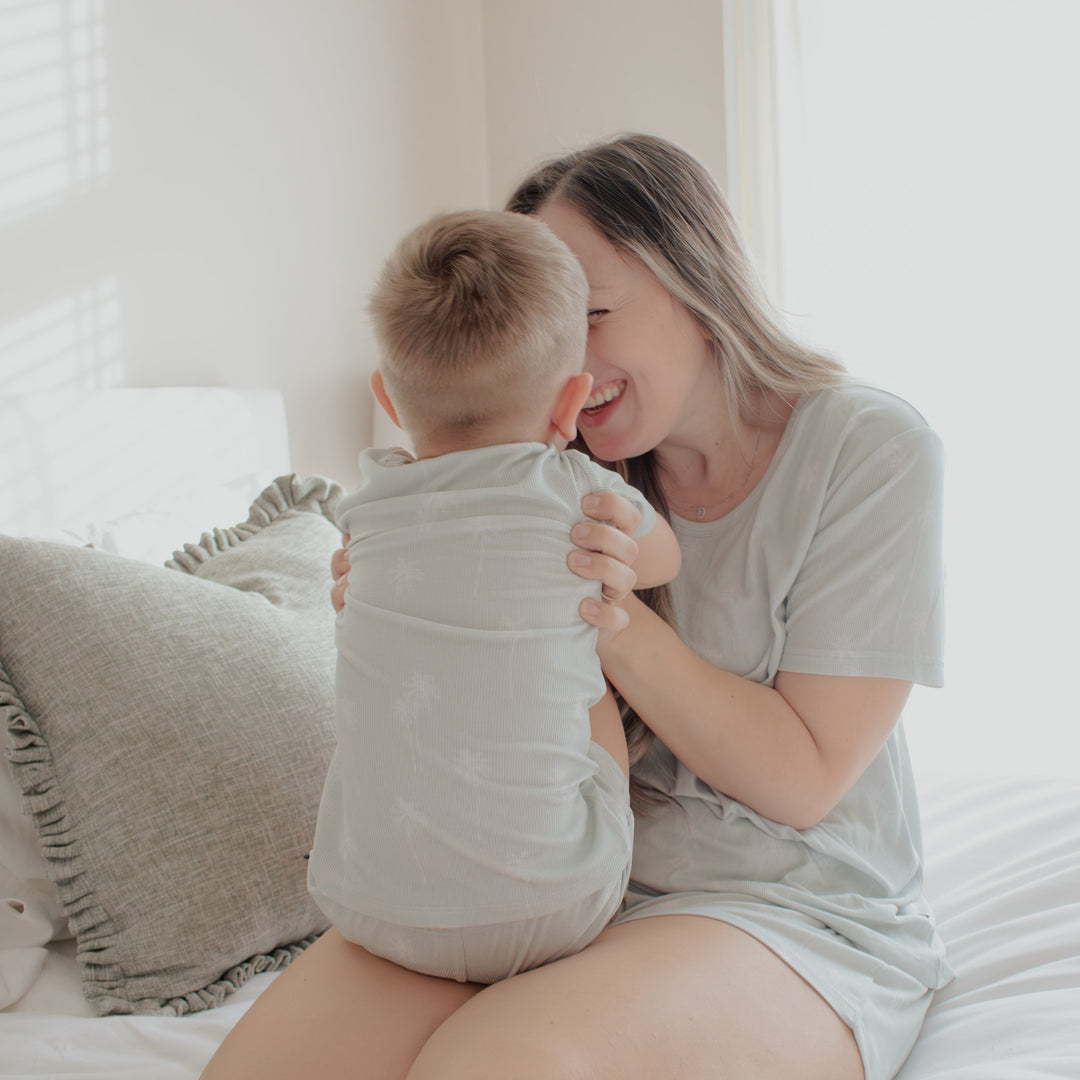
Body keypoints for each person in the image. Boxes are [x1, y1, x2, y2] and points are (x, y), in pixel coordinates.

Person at [202, 133, 950, 1080]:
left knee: (494, 1065)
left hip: (790, 908)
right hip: (530, 876)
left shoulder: (867, 449)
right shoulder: (543, 465)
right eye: (543, 333)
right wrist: (416, 605)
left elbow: (804, 779)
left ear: (694, 277)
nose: (573, 365)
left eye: (592, 314)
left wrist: (597, 607)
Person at [304, 208, 681, 986]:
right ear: (570, 403)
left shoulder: (365, 510)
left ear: (388, 397)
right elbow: (662, 560)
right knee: (586, 637)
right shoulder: (575, 490)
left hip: (369, 907)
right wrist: (616, 555)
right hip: (555, 905)